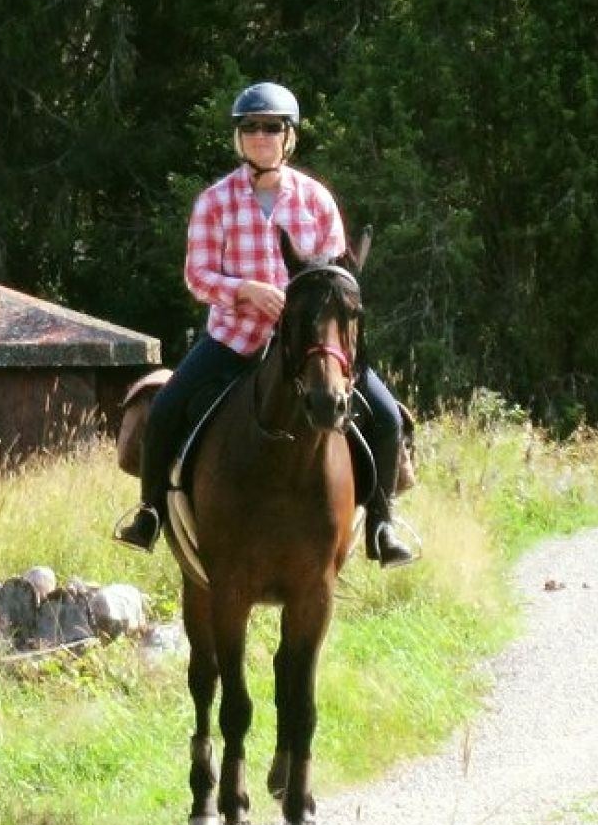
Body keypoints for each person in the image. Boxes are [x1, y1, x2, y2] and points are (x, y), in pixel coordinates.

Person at [115, 82, 418, 565]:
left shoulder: (316, 200)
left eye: (272, 127)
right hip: (235, 340)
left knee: (385, 415)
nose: (261, 135)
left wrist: (309, 307)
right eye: (251, 127)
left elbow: (338, 278)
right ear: (240, 138)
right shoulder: (214, 201)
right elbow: (197, 275)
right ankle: (149, 512)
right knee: (168, 405)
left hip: (310, 347)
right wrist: (244, 291)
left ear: (288, 136)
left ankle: (382, 525)